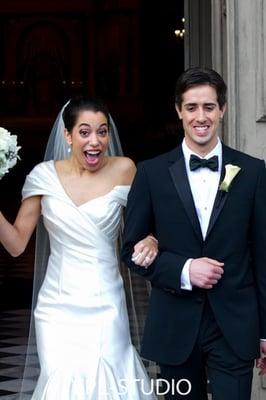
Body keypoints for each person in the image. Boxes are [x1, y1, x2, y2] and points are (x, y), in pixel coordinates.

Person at [122, 67, 266, 400]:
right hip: (174, 325)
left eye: (209, 107)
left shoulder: (254, 171)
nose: (200, 117)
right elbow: (131, 250)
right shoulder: (151, 173)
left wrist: (264, 331)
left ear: (222, 110)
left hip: (235, 325)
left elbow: (262, 255)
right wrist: (185, 269)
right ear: (178, 110)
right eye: (191, 107)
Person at [0, 96, 158, 399]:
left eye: (102, 131)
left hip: (106, 303)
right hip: (57, 307)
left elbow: (146, 227)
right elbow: (17, 244)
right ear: (67, 135)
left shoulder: (124, 169)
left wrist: (151, 239)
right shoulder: (43, 176)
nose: (95, 141)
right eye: (84, 132)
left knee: (110, 380)